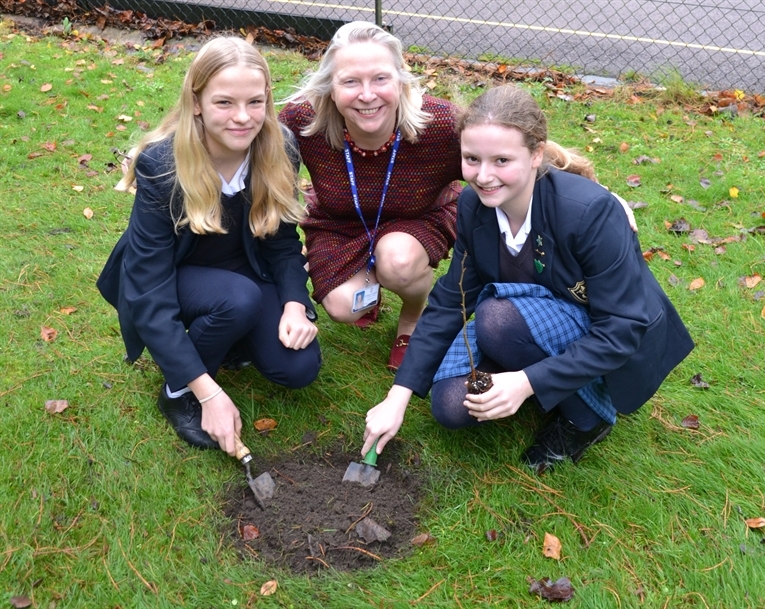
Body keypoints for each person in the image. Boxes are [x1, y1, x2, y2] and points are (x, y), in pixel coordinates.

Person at [361, 85, 694, 473]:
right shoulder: (472, 206)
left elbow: (622, 329)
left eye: (502, 160)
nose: (483, 176)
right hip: (523, 319)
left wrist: (526, 382)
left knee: (496, 319)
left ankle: (587, 419)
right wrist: (396, 397)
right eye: (472, 159)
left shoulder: (589, 213)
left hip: (598, 329)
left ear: (536, 154)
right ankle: (535, 374)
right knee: (451, 404)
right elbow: (452, 300)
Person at [97, 37, 321, 456]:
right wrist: (208, 393)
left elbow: (283, 241)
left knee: (299, 367)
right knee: (237, 300)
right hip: (176, 277)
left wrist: (295, 304)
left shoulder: (280, 146)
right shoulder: (163, 164)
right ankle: (177, 388)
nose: (243, 118)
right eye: (224, 103)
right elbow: (148, 290)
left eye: (255, 102)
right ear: (196, 102)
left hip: (243, 271)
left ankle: (234, 340)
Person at [278, 21, 463, 371]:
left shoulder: (439, 125)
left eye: (380, 78)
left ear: (400, 80)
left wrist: (562, 172)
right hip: (341, 221)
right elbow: (263, 175)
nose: (367, 95)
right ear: (330, 87)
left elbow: (501, 153)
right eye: (350, 81)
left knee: (397, 262)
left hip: (419, 217)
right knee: (342, 307)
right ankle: (368, 290)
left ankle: (412, 319)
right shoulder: (303, 122)